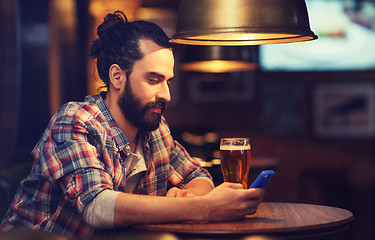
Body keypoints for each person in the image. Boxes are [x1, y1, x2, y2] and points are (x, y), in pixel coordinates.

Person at [0, 11, 265, 237]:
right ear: (117, 76)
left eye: (168, 81)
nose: (166, 94)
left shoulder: (156, 129)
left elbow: (198, 176)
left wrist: (190, 196)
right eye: (153, 80)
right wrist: (206, 207)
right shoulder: (76, 121)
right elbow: (97, 206)